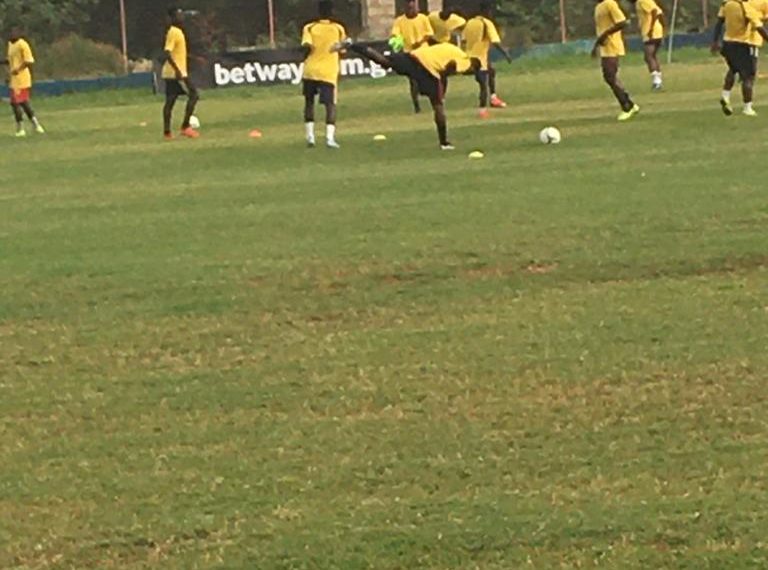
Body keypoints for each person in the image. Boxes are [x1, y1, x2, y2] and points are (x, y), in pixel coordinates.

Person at [334, 39, 479, 150]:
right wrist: (443, 78)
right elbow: (452, 65)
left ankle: (353, 45)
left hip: (415, 55)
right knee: (438, 105)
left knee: (385, 62)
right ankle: (444, 142)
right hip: (427, 68)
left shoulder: (453, 48)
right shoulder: (467, 61)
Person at [301, 0, 346, 148]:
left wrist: (302, 59)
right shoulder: (338, 28)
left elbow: (307, 46)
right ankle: (329, 138)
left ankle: (310, 137)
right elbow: (343, 50)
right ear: (332, 13)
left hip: (311, 70)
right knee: (330, 105)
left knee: (309, 102)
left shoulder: (310, 27)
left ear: (318, 12)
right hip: (328, 72)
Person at [715, 0, 768, 116]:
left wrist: (715, 41)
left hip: (728, 43)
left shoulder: (727, 3)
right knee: (749, 76)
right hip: (747, 43)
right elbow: (759, 26)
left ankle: (725, 96)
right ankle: (747, 108)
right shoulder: (747, 7)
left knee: (733, 69)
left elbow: (719, 21)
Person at [592, 0, 640, 121]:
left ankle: (627, 107)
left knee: (610, 76)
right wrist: (597, 45)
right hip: (605, 47)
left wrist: (605, 35)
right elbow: (602, 28)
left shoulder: (610, 4)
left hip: (613, 45)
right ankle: (630, 104)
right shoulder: (599, 7)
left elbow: (622, 22)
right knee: (609, 77)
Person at [462, 1, 511, 118]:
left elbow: (464, 40)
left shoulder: (470, 23)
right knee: (483, 86)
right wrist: (506, 54)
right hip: (479, 60)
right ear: (488, 11)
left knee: (491, 71)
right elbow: (495, 42)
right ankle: (482, 110)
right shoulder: (486, 23)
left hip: (468, 57)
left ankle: (493, 98)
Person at [161, 7, 199, 140]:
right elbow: (167, 53)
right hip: (177, 74)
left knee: (170, 102)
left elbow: (177, 52)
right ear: (172, 18)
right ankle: (185, 127)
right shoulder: (174, 32)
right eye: (178, 14)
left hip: (172, 73)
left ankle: (167, 133)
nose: (181, 16)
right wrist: (177, 70)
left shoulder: (176, 32)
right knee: (194, 95)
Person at [390, 0, 435, 113]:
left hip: (424, 53)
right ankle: (416, 106)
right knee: (413, 81)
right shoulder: (400, 21)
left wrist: (419, 42)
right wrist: (397, 42)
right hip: (409, 54)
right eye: (409, 4)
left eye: (413, 4)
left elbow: (429, 34)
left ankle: (435, 101)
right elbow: (396, 35)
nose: (411, 6)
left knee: (430, 78)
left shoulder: (423, 18)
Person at [2, 27, 45, 137]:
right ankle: (36, 125)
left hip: (22, 79)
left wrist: (18, 70)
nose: (12, 34)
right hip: (14, 80)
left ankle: (20, 129)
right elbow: (11, 61)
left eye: (15, 32)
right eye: (11, 32)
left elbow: (28, 61)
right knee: (23, 103)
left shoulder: (23, 44)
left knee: (15, 103)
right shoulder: (10, 45)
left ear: (19, 33)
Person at [629, 0, 665, 90]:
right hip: (656, 32)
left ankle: (657, 81)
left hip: (651, 33)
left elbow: (654, 11)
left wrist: (651, 29)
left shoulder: (642, 1)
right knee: (653, 56)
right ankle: (658, 80)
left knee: (648, 56)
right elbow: (660, 13)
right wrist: (663, 29)